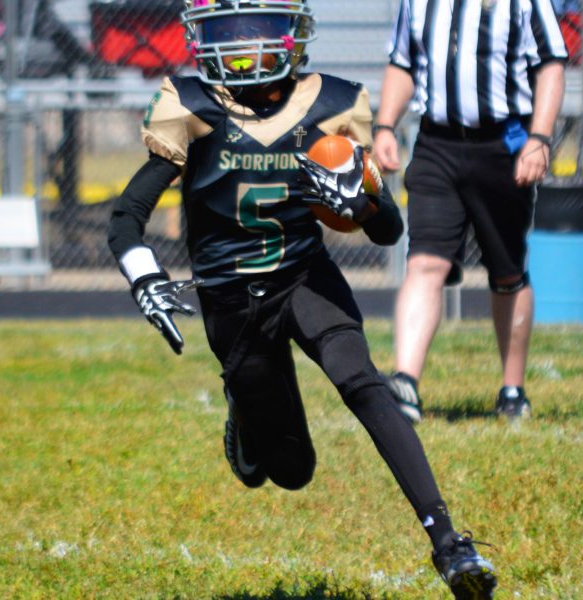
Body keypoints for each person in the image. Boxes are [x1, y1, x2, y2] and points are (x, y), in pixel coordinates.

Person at [108, 1, 497, 597]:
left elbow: (388, 231)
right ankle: (244, 414)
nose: (243, 48)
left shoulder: (330, 104)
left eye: (257, 33)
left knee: (363, 380)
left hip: (303, 277)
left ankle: (449, 544)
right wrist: (144, 276)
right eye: (226, 35)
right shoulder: (193, 105)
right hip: (231, 299)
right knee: (290, 471)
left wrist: (362, 198)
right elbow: (127, 216)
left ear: (292, 34)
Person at [373, 0, 567, 423]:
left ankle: (512, 389)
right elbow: (403, 62)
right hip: (436, 145)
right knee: (425, 261)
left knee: (507, 272)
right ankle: (405, 382)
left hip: (502, 144)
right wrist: (385, 124)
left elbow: (551, 63)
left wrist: (540, 138)